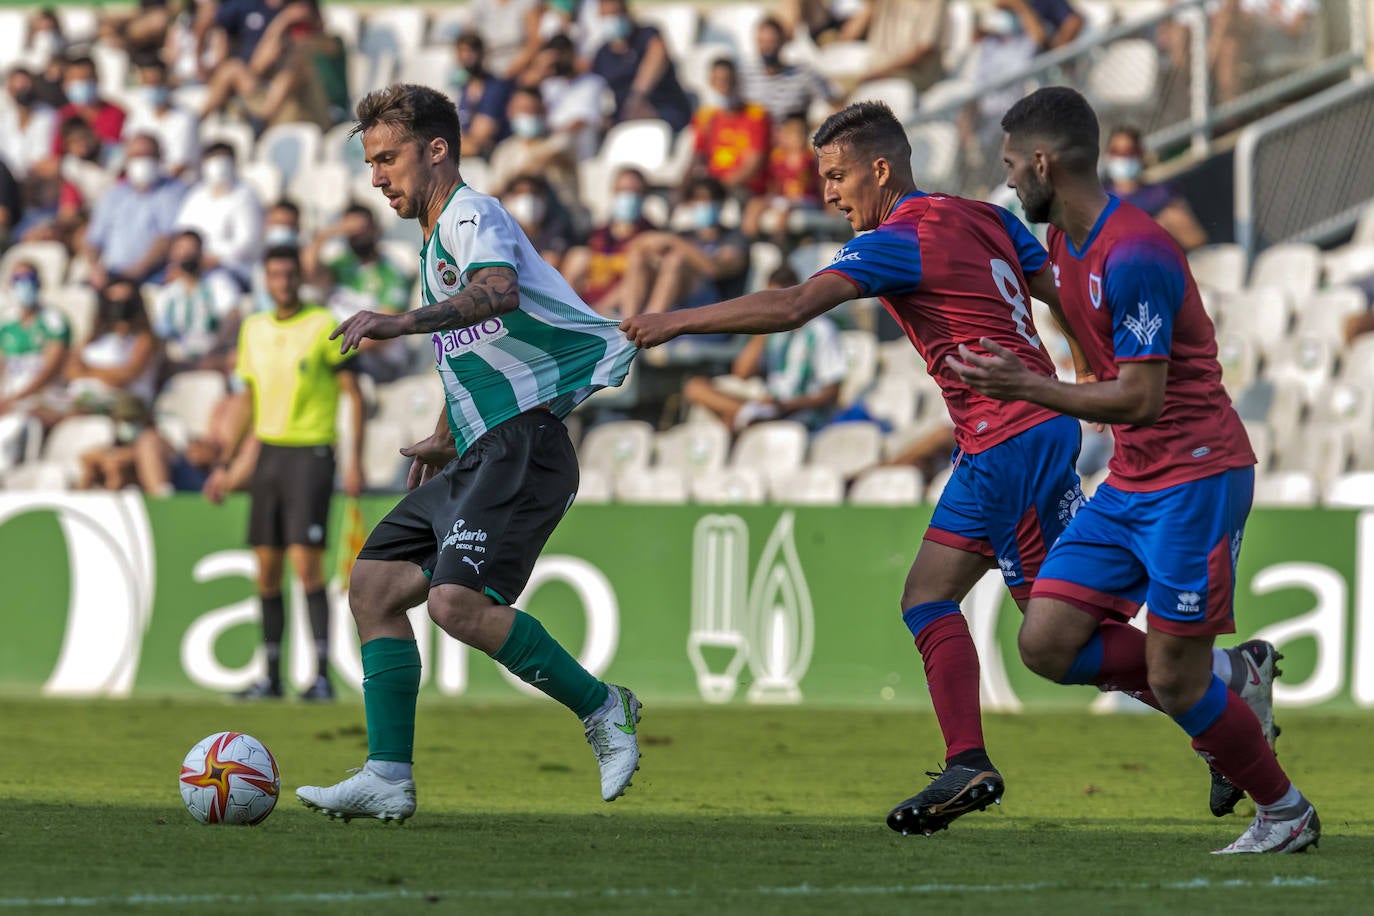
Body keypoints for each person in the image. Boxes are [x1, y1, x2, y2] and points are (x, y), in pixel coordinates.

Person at [621, 100, 1277, 838]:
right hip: (997, 436)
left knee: (1056, 640)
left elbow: (798, 303)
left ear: (881, 168)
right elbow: (1055, 291)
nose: (829, 195)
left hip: (1013, 435)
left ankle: (1222, 688)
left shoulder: (901, 238)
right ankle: (969, 758)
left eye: (837, 177)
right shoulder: (988, 217)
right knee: (927, 595)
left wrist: (672, 323)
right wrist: (1092, 369)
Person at [950, 85, 1316, 854]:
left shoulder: (1138, 251)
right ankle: (1232, 674)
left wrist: (1027, 387)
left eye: (1014, 164)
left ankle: (1285, 812)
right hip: (1133, 479)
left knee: (1174, 680)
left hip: (1195, 479)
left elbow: (1143, 396)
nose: (1011, 180)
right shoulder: (1064, 246)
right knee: (1046, 640)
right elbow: (1093, 351)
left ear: (1046, 162)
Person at [295, 82, 641, 822]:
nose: (378, 177)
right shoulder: (434, 237)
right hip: (481, 447)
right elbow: (491, 354)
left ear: (437, 149)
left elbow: (498, 293)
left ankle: (605, 706)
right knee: (374, 588)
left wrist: (399, 323)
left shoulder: (470, 214)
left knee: (456, 605)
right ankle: (387, 774)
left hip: (524, 449)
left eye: (389, 158)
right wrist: (446, 434)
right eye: (370, 164)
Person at [204, 245, 366, 702]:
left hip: (311, 453)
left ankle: (318, 675)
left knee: (306, 566)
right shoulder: (253, 329)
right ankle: (272, 676)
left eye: (289, 273)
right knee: (266, 570)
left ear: (299, 277)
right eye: (274, 274)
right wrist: (226, 463)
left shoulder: (321, 325)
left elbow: (353, 394)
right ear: (266, 280)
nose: (282, 281)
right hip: (269, 455)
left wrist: (354, 458)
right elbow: (248, 402)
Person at [683, 265, 846, 431]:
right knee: (696, 387)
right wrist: (763, 330)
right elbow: (742, 373)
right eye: (770, 298)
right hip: (767, 405)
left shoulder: (821, 329)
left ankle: (749, 419)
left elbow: (831, 393)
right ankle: (749, 416)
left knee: (730, 423)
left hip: (798, 410)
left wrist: (785, 405)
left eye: (779, 298)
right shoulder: (774, 331)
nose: (774, 305)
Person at [304, 203, 416, 382]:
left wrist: (336, 354)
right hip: (339, 353)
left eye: (363, 229)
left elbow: (385, 332)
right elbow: (307, 272)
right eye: (352, 231)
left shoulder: (392, 273)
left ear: (376, 229)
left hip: (377, 360)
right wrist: (330, 232)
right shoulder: (342, 265)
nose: (358, 236)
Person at [615, 176, 748, 319]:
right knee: (638, 258)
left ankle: (650, 321)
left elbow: (714, 269)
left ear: (722, 203)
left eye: (709, 199)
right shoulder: (683, 235)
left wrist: (674, 242)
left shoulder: (734, 237)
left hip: (712, 306)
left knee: (675, 261)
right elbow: (636, 246)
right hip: (679, 304)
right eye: (698, 199)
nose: (704, 204)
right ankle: (627, 322)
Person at [81, 133, 190, 288]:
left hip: (153, 277)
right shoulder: (114, 195)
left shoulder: (174, 191)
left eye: (148, 156)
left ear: (160, 157)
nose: (142, 162)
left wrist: (133, 274)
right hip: (111, 274)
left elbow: (167, 238)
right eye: (136, 156)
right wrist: (94, 268)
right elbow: (93, 240)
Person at [0, 261, 71, 471]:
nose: (24, 286)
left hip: (42, 395)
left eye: (29, 280)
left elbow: (48, 372)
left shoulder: (54, 321)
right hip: (10, 395)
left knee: (12, 425)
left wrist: (15, 399)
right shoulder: (6, 324)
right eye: (18, 281)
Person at [560, 167, 657, 316]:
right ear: (613, 193)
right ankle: (563, 311)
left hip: (621, 308)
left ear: (644, 196)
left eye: (634, 191)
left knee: (639, 263)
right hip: (587, 301)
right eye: (622, 190)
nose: (627, 196)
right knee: (578, 255)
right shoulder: (597, 233)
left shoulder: (650, 234)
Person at [589, 0, 692, 134]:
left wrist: (638, 97)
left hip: (663, 110)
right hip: (624, 118)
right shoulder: (602, 54)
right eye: (606, 16)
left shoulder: (647, 35)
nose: (611, 20)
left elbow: (657, 57)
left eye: (615, 14)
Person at [174, 141, 266, 291]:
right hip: (194, 265)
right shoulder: (196, 194)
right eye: (213, 161)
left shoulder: (246, 194)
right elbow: (182, 232)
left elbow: (248, 243)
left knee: (217, 286)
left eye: (224, 161)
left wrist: (215, 259)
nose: (219, 166)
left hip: (233, 268)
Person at [1102, 125, 1208, 252]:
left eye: (1130, 152)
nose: (1123, 158)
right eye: (1116, 151)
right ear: (1108, 154)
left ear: (1141, 154)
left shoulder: (1163, 193)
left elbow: (1196, 238)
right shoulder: (1099, 198)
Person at [685, 58, 772, 200]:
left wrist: (717, 189)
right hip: (711, 189)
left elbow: (753, 164)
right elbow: (697, 158)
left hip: (745, 189)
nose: (723, 87)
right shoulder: (705, 117)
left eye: (727, 80)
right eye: (718, 81)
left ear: (737, 82)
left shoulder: (756, 115)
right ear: (710, 82)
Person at [740, 17, 843, 125]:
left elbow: (838, 106)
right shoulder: (745, 76)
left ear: (782, 42)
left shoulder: (803, 74)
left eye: (772, 42)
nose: (767, 48)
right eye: (762, 42)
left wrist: (816, 128)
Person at [122, 55, 200, 178]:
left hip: (178, 186)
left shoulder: (185, 118)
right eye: (147, 83)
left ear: (167, 82)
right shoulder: (136, 116)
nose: (152, 88)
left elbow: (179, 165)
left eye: (156, 83)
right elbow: (130, 155)